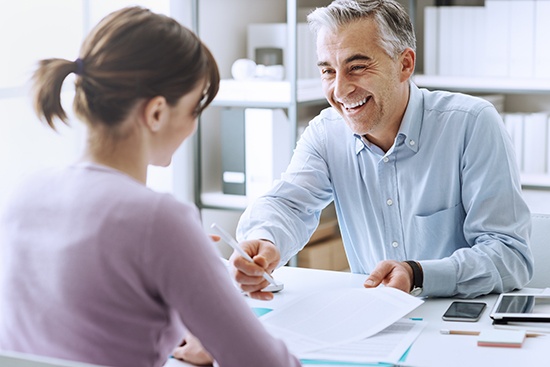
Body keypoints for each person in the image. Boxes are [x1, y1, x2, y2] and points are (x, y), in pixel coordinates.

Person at [0, 6, 300, 367]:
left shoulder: (24, 193)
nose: (193, 127)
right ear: (156, 113)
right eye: (194, 109)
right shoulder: (159, 220)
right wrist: (178, 246)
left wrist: (180, 271)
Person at [232, 0, 533, 301]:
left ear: (405, 64)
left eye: (357, 67)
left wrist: (418, 274)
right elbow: (288, 204)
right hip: (376, 322)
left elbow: (510, 256)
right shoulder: (326, 133)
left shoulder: (472, 124)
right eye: (328, 71)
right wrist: (264, 239)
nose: (339, 91)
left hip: (455, 323)